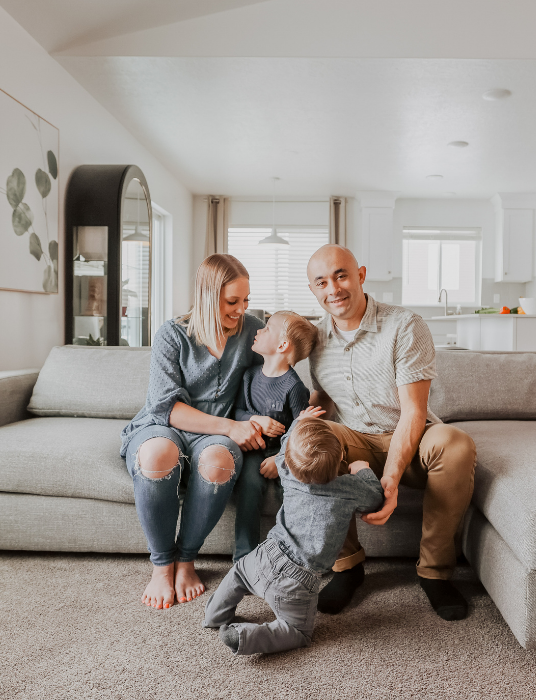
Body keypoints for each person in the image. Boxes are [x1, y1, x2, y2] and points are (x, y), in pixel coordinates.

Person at [305, 244, 477, 621]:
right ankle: (346, 567)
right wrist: (303, 426)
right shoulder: (315, 340)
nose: (333, 288)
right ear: (314, 290)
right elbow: (324, 400)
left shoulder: (405, 325)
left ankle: (434, 572)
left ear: (361, 275)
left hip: (411, 437)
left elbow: (414, 412)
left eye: (341, 275)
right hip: (356, 440)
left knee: (457, 445)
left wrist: (391, 481)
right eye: (321, 282)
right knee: (313, 440)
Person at [120, 254, 267, 610]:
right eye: (233, 301)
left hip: (214, 438)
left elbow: (266, 382)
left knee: (218, 460)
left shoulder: (251, 330)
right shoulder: (172, 334)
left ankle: (186, 560)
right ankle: (161, 565)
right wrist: (232, 426)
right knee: (158, 455)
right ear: (207, 295)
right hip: (161, 426)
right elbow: (165, 407)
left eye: (246, 300)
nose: (242, 309)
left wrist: (262, 417)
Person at [203, 418, 384, 655]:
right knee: (297, 632)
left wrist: (300, 419)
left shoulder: (287, 471)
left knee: (237, 574)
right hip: (297, 581)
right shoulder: (347, 488)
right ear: (341, 457)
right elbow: (375, 497)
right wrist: (363, 469)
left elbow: (287, 443)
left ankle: (214, 615)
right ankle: (243, 637)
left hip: (263, 555)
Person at [231, 310, 323, 560]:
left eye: (267, 328)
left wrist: (280, 459)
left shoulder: (294, 387)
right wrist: (253, 419)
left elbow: (301, 432)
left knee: (294, 492)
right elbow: (236, 412)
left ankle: (294, 556)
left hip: (284, 455)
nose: (259, 330)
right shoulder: (249, 376)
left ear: (283, 345)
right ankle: (244, 559)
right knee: (249, 486)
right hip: (253, 451)